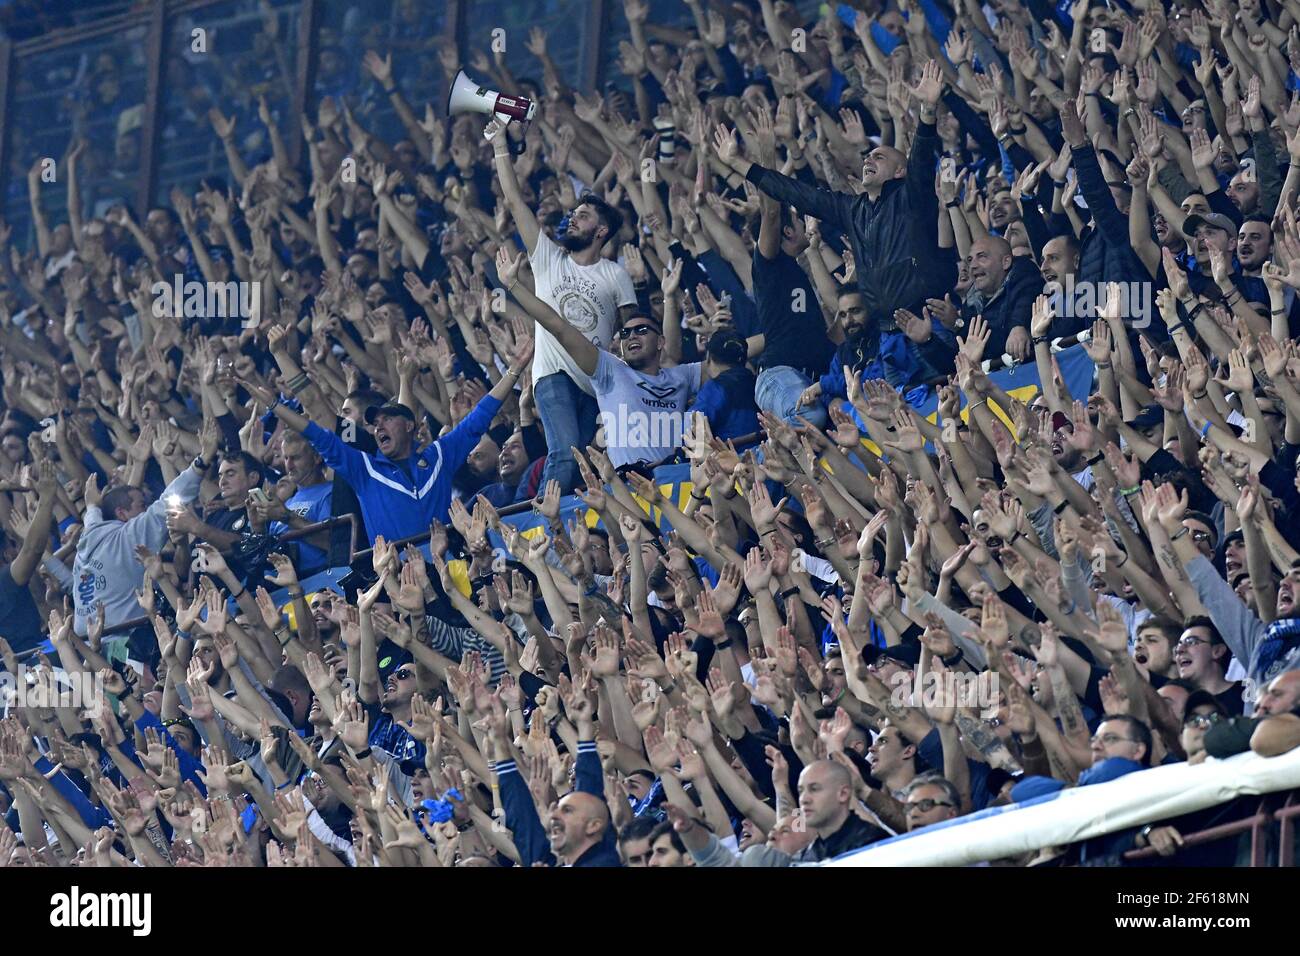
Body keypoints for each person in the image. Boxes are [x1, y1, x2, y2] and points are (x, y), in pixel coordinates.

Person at [485, 115, 637, 495]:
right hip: (552, 375)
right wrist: (500, 146)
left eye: (583, 216)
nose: (572, 218)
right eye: (574, 213)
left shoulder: (616, 275)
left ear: (601, 231)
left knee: (587, 461)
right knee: (566, 456)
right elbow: (515, 200)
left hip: (595, 383)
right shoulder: (548, 257)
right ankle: (544, 526)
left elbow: (633, 333)